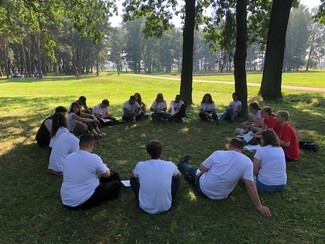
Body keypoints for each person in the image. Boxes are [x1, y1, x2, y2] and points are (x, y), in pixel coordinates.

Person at [178, 138, 272, 217]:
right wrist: (259, 206)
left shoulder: (218, 154)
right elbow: (250, 185)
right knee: (198, 175)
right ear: (242, 150)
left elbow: (202, 168)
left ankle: (182, 164)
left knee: (195, 170)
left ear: (229, 146)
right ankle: (191, 180)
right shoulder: (247, 162)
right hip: (222, 196)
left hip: (204, 188)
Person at [60, 134, 122, 209]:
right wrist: (105, 167)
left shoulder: (68, 157)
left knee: (102, 175)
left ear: (79, 144)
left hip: (66, 199)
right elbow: (107, 174)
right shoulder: (94, 157)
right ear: (91, 145)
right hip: (81, 200)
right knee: (115, 183)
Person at [130, 140, 181, 214]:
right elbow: (178, 175)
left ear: (148, 153)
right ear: (160, 152)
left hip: (145, 206)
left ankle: (143, 197)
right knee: (177, 179)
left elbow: (131, 175)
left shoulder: (140, 165)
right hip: (165, 206)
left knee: (132, 179)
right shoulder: (170, 164)